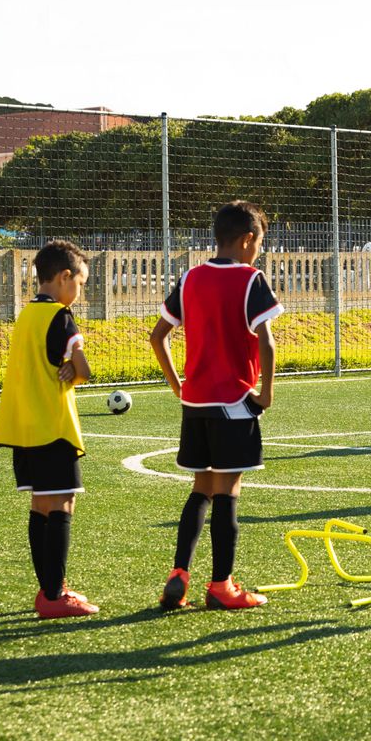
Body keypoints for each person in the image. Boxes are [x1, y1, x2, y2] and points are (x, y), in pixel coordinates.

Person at [150, 200, 283, 611]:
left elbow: (158, 337)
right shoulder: (251, 279)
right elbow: (267, 340)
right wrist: (265, 392)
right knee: (228, 491)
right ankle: (222, 584)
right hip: (233, 403)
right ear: (247, 240)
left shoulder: (190, 278)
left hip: (195, 403)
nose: (259, 251)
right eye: (260, 242)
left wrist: (177, 385)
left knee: (200, 489)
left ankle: (179, 575)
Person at [0, 240, 98, 619]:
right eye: (81, 283)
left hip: (22, 427)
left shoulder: (25, 316)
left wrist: (66, 364)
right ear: (65, 276)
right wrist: (77, 366)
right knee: (63, 504)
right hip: (52, 427)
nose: (80, 292)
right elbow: (83, 369)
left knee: (40, 505)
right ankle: (54, 596)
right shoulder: (60, 316)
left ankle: (49, 590)